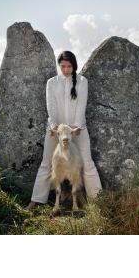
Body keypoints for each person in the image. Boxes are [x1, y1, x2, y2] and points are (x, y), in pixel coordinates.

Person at [26, 51, 102, 210]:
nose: (66, 70)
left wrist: (78, 126)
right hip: (56, 131)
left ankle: (98, 201)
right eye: (63, 66)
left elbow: (82, 104)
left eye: (69, 66)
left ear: (74, 66)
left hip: (78, 130)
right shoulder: (52, 83)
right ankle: (35, 201)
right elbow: (51, 105)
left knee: (87, 163)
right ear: (59, 66)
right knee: (46, 163)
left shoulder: (82, 81)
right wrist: (54, 126)